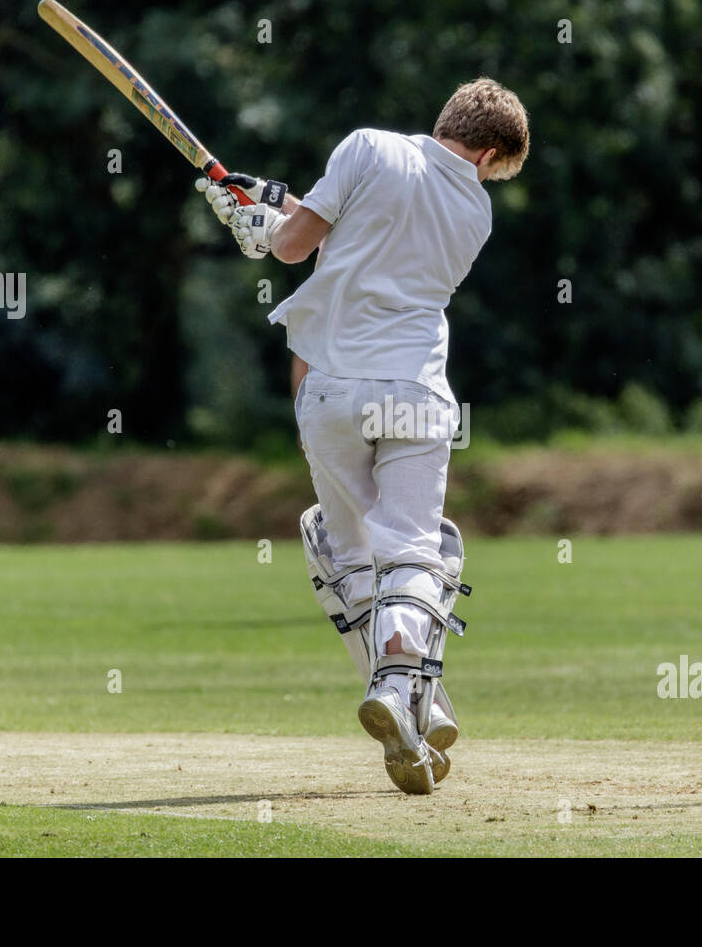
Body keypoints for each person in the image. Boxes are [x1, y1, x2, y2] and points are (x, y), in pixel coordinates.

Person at [197, 79, 529, 794]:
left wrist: (258, 220)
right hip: (413, 393)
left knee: (343, 553)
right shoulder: (476, 210)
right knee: (413, 549)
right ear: (490, 155)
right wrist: (277, 199)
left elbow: (298, 249)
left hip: (333, 391)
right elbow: (369, 245)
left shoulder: (367, 147)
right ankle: (411, 690)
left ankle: (413, 708)